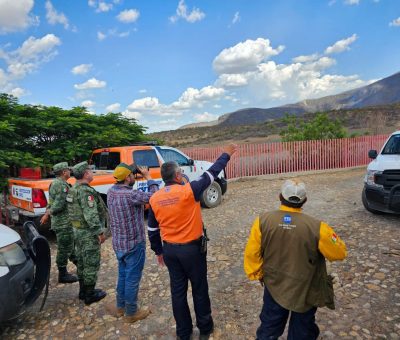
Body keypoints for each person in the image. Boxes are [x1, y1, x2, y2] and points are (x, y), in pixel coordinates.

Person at [147, 144, 237, 340]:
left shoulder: (155, 198)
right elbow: (212, 172)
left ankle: (183, 333)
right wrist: (227, 154)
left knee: (178, 293)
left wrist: (158, 251)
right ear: (178, 176)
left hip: (170, 251)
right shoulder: (190, 191)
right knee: (199, 288)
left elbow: (152, 230)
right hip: (192, 251)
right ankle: (205, 329)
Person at [244, 179, 347, 340]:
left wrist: (257, 274)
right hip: (305, 289)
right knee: (302, 331)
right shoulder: (318, 227)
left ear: (280, 197)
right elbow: (339, 253)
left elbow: (252, 253)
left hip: (274, 286)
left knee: (269, 328)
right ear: (304, 200)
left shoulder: (262, 221)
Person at [105, 163, 159, 323]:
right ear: (128, 177)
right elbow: (156, 196)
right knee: (132, 278)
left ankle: (120, 306)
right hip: (134, 245)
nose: (134, 176)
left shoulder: (111, 192)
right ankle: (131, 313)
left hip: (118, 244)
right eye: (132, 175)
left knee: (122, 274)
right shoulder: (131, 195)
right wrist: (148, 176)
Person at [66, 161, 108, 305]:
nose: (92, 173)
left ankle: (83, 290)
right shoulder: (85, 191)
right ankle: (90, 294)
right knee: (91, 262)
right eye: (90, 170)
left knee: (82, 262)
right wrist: (99, 232)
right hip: (87, 233)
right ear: (85, 174)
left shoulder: (73, 189)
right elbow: (90, 215)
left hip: (77, 231)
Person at [40, 162, 78, 283]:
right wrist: (47, 214)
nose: (69, 171)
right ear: (63, 172)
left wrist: (47, 212)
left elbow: (51, 201)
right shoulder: (61, 185)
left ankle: (80, 264)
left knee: (69, 245)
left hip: (62, 222)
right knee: (64, 247)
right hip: (63, 222)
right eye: (68, 170)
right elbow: (59, 205)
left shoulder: (55, 183)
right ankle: (63, 275)